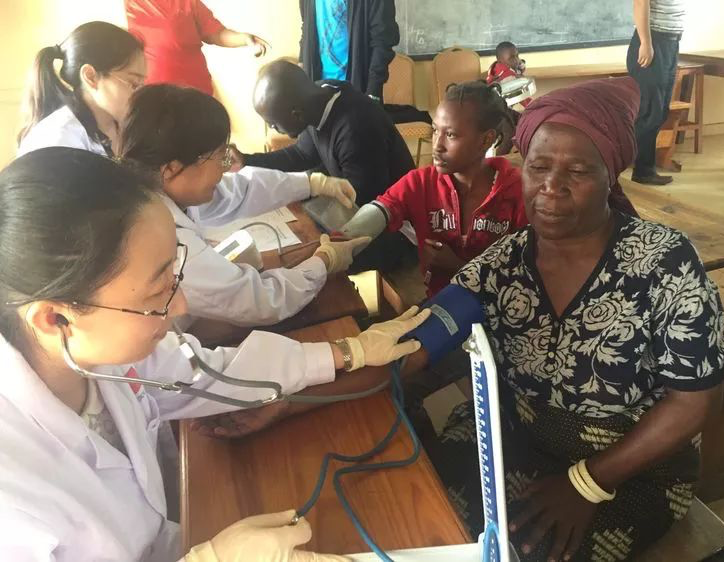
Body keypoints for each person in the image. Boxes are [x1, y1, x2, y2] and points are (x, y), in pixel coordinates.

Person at [0, 147, 430, 560]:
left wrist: (347, 351)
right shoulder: (12, 492)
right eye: (157, 292)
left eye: (174, 275)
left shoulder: (101, 351)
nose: (181, 306)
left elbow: (206, 371)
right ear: (55, 319)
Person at [421, 77, 724, 561]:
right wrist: (353, 359)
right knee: (422, 508)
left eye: (578, 171)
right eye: (538, 167)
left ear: (611, 176)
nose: (551, 188)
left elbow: (694, 402)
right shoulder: (506, 261)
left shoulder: (663, 262)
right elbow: (428, 331)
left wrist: (588, 482)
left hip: (631, 467)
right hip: (519, 438)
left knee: (527, 551)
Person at [118, 83, 367, 328]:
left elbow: (239, 190)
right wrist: (323, 261)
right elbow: (262, 301)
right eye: (219, 157)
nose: (225, 168)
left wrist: (311, 183)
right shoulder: (167, 244)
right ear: (172, 168)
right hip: (171, 341)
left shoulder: (158, 189)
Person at [341, 81, 526, 298]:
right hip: (441, 303)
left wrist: (457, 266)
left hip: (500, 307)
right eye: (436, 130)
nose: (437, 145)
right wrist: (339, 243)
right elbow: (382, 209)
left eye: (451, 135)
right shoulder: (421, 182)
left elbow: (523, 275)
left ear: (486, 139)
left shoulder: (517, 191)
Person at [237, 59, 417, 273]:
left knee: (303, 260)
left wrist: (311, 229)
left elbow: (362, 205)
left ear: (296, 114)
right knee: (291, 235)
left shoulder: (355, 127)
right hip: (356, 207)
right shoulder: (316, 99)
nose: (272, 127)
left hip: (393, 228)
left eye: (273, 122)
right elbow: (302, 154)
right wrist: (246, 161)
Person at [17, 21, 145, 157]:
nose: (141, 94)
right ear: (90, 77)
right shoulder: (58, 140)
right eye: (134, 84)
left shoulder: (121, 125)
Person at [126, 0, 270, 96]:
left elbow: (217, 34)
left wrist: (245, 39)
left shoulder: (188, 2)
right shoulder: (129, 5)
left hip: (195, 93)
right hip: (153, 97)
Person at [627, 0, 686, 185]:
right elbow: (640, 3)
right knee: (649, 113)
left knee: (660, 113)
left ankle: (645, 167)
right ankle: (641, 171)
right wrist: (646, 42)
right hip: (653, 40)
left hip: (670, 42)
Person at [298, 0, 399, 102]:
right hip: (317, 88)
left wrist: (373, 92)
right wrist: (301, 66)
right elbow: (306, 24)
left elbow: (382, 40)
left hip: (357, 91)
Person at [486, 41, 531, 109]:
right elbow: (522, 96)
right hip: (499, 107)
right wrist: (532, 106)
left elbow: (518, 68)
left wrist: (521, 66)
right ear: (499, 60)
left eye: (517, 56)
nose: (516, 60)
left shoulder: (499, 65)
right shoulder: (508, 77)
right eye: (511, 58)